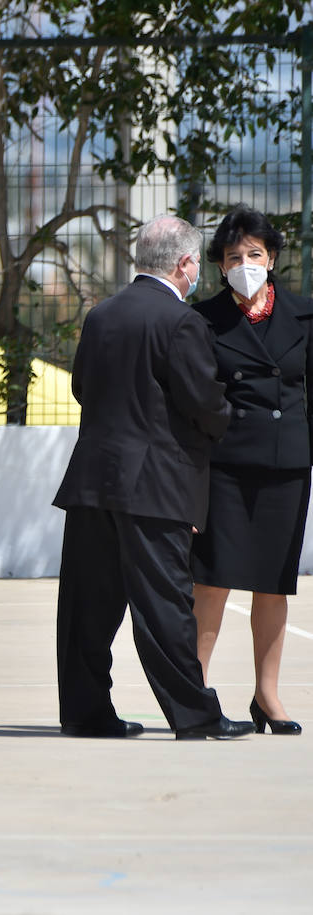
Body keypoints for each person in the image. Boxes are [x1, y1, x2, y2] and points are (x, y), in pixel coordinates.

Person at [53, 214, 252, 740]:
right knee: (164, 603)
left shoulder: (102, 314)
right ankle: (195, 714)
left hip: (94, 478)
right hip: (156, 482)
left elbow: (81, 388)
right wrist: (225, 420)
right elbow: (203, 403)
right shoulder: (180, 321)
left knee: (87, 606)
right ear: (186, 263)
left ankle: (84, 711)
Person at [190, 204, 312, 736]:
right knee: (212, 582)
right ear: (220, 265)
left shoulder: (304, 316)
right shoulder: (202, 319)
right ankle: (193, 693)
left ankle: (267, 695)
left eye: (255, 254)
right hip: (225, 466)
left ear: (274, 258)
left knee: (273, 583)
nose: (245, 263)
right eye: (234, 256)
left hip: (287, 464)